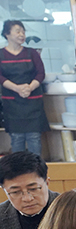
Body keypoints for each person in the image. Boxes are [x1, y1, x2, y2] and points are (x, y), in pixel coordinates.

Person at [1, 20, 51, 156]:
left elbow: (40, 73)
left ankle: (36, 172)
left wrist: (29, 87)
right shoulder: (1, 54)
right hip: (12, 103)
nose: (21, 34)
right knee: (17, 139)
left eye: (23, 31)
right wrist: (16, 88)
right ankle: (19, 173)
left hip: (33, 101)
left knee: (34, 138)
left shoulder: (32, 53)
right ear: (7, 34)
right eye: (17, 31)